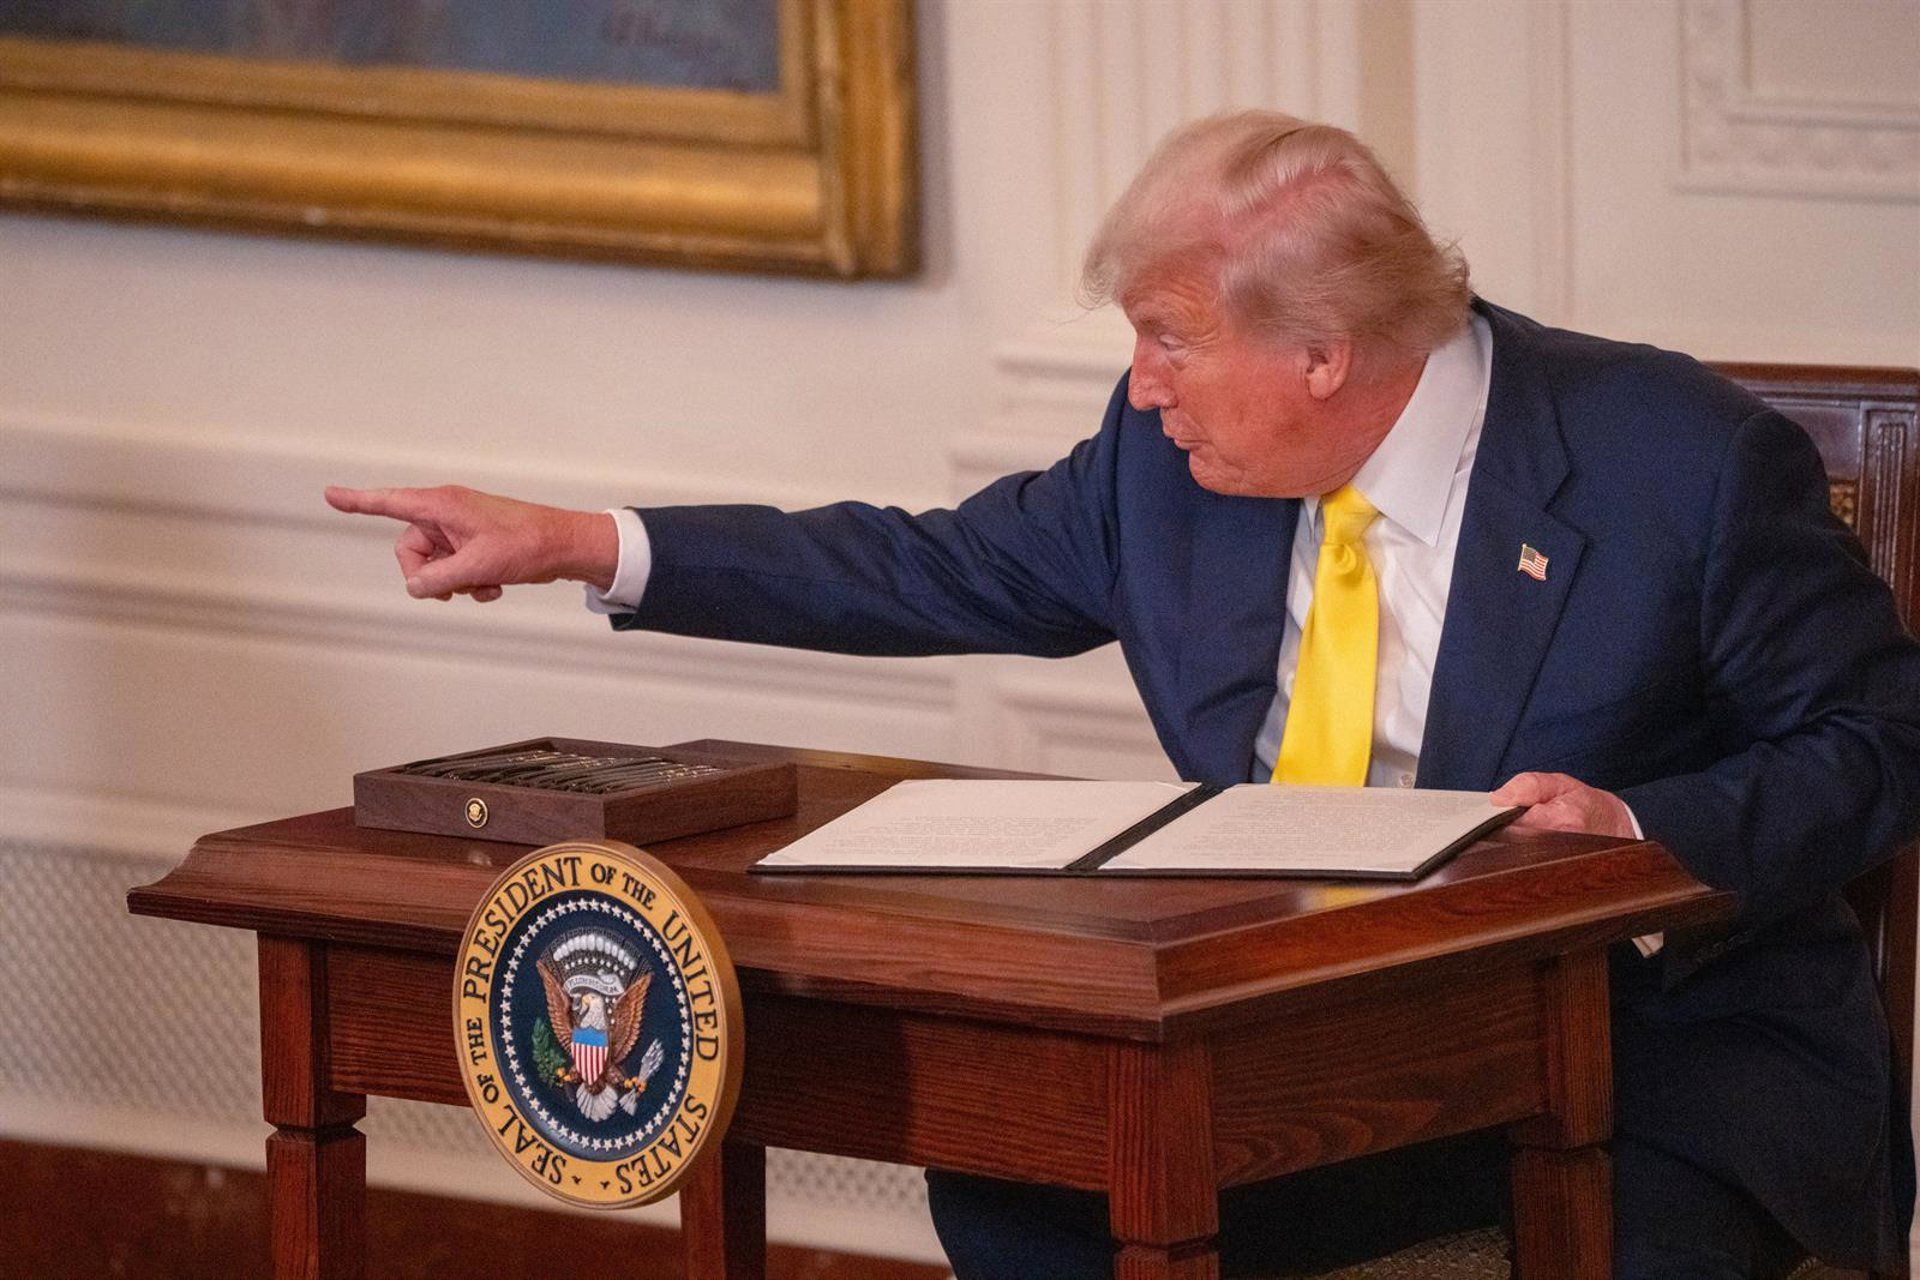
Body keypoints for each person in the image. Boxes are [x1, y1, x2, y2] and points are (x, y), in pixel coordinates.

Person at [327, 111, 1920, 1278]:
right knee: (1026, 1191)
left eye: (1170, 340)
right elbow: (922, 567)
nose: (1141, 384)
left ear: (1324, 353)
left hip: (1649, 1069)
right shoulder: (1168, 473)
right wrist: (584, 543)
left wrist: (1636, 827)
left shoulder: (1677, 463)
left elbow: (1882, 741)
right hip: (1323, 1050)